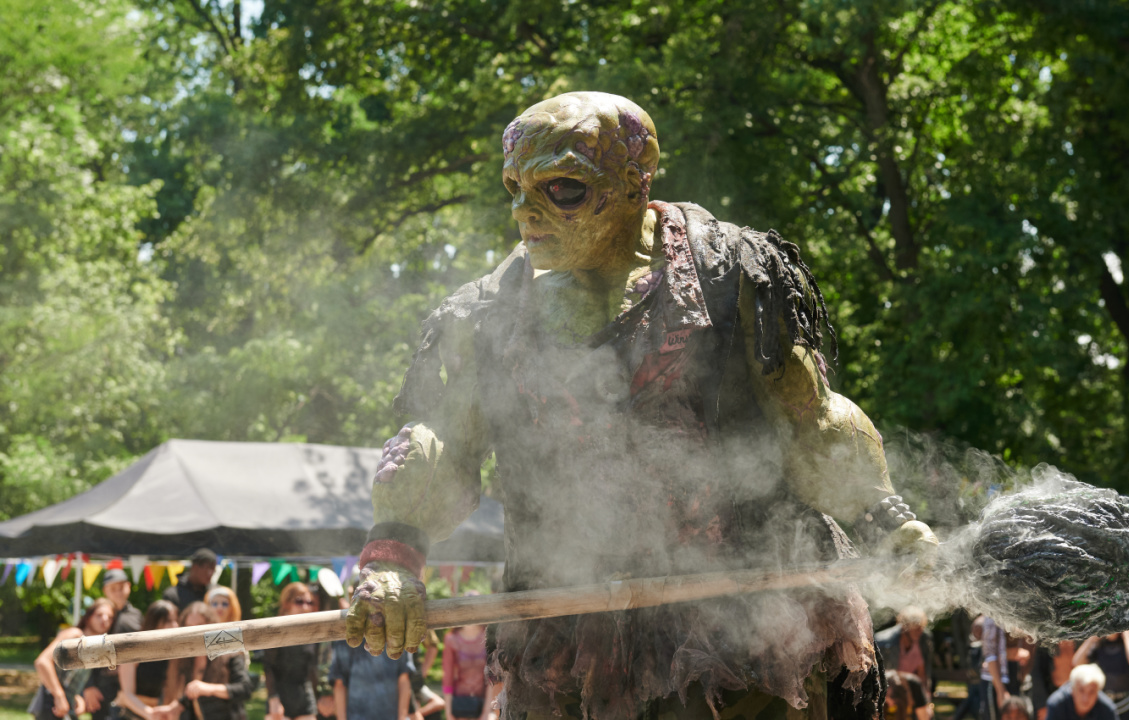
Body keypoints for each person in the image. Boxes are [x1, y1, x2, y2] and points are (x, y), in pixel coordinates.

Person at [344, 91, 939, 720]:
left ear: (635, 181)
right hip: (566, 632)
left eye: (562, 189)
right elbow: (441, 442)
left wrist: (888, 522)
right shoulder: (491, 311)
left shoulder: (730, 271)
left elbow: (810, 421)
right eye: (514, 188)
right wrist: (393, 559)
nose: (526, 214)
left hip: (748, 633)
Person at [166, 602, 254, 720]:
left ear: (211, 625)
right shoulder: (187, 657)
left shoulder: (229, 648)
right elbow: (194, 691)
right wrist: (176, 707)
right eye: (189, 627)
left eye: (199, 626)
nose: (193, 633)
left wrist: (209, 689)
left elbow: (245, 688)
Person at [31, 597, 115, 720]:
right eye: (99, 615)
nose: (105, 619)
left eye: (110, 617)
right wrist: (58, 695)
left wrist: (77, 697)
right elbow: (42, 662)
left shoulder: (96, 649)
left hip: (67, 709)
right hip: (51, 705)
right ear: (88, 617)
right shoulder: (74, 634)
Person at [83, 568, 145, 720]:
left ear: (129, 586)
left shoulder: (136, 616)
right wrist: (88, 685)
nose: (118, 592)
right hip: (102, 685)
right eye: (113, 588)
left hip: (133, 683)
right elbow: (85, 649)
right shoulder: (99, 615)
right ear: (105, 590)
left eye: (121, 587)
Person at [114, 600, 181, 720]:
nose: (175, 625)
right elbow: (126, 694)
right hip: (126, 714)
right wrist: (150, 714)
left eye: (176, 620)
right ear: (154, 622)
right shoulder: (134, 648)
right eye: (168, 621)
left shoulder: (173, 655)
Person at [264, 583, 320, 720]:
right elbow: (268, 667)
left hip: (305, 696)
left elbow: (312, 670)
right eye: (299, 601)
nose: (305, 607)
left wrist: (322, 696)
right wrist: (273, 698)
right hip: (280, 695)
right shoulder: (275, 629)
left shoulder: (314, 631)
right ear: (286, 603)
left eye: (309, 602)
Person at [329, 634, 414, 720]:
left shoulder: (396, 633)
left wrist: (402, 717)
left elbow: (404, 679)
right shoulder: (345, 638)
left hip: (391, 715)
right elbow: (339, 684)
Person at [1073, 632, 1129, 720]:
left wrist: (1127, 635)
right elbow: (1076, 662)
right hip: (1103, 705)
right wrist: (1092, 638)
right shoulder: (1099, 646)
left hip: (1125, 704)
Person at [441, 610, 493, 720]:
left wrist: (486, 712)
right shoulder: (451, 639)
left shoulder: (489, 638)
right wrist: (448, 711)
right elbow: (448, 676)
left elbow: (492, 677)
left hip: (484, 701)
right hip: (460, 703)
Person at [877, 607, 934, 700]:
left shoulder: (924, 639)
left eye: (922, 627)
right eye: (916, 627)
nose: (920, 631)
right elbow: (882, 675)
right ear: (905, 627)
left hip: (913, 692)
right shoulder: (884, 642)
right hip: (892, 694)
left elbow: (923, 672)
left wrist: (925, 696)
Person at [1045, 665, 1117, 720]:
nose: (1086, 698)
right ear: (1072, 689)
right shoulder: (1056, 704)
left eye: (1091, 692)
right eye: (1081, 690)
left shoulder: (1107, 708)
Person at [1031, 641, 1077, 720]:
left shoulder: (1082, 637)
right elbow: (1037, 674)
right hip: (1049, 694)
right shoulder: (1046, 642)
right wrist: (1042, 705)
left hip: (1076, 697)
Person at [980, 617, 1011, 720]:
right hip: (994, 681)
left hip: (1006, 680)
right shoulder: (991, 618)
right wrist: (1000, 690)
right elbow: (990, 656)